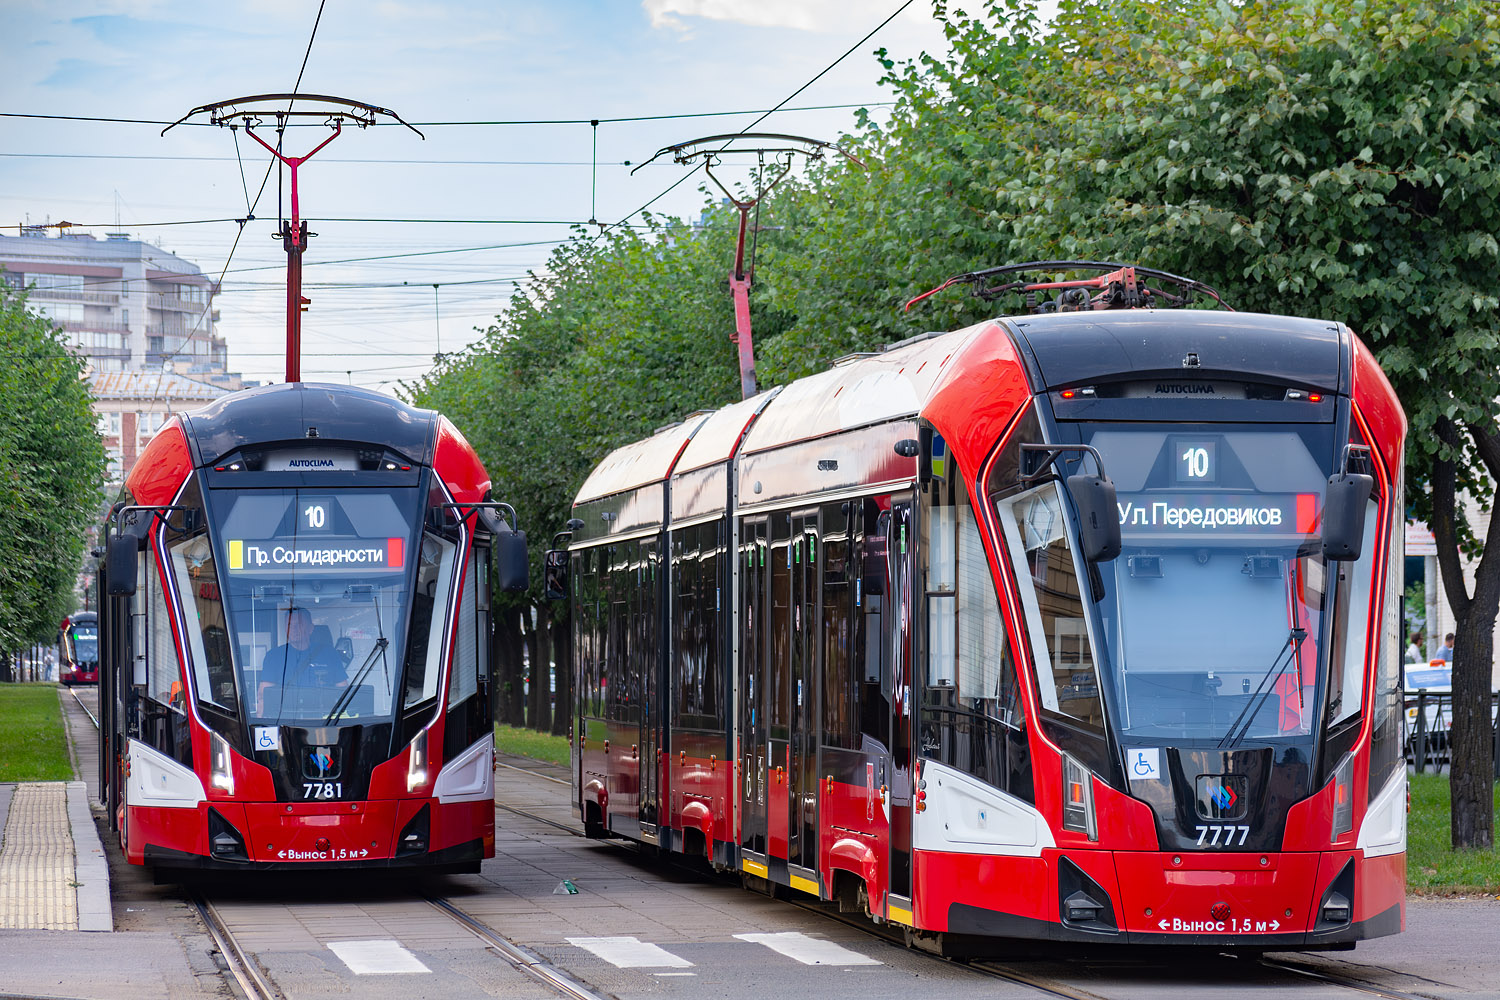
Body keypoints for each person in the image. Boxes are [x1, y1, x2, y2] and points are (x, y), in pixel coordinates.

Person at [258, 608, 341, 715]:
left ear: (311, 628)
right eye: (289, 625)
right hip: (285, 722)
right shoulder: (273, 656)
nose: (294, 629)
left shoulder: (330, 654)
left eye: (299, 625)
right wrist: (262, 726)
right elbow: (263, 697)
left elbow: (342, 692)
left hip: (324, 721)